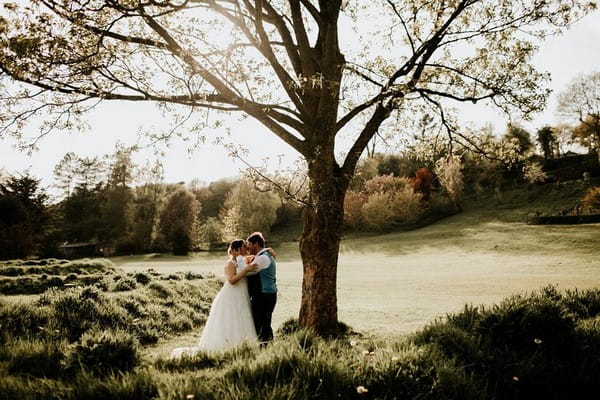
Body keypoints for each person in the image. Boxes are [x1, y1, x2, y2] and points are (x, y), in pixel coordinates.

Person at [170, 239, 258, 358]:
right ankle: (227, 346)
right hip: (231, 295)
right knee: (231, 319)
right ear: (237, 249)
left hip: (242, 295)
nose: (246, 248)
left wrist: (268, 251)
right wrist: (245, 270)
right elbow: (231, 280)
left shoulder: (242, 260)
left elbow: (256, 256)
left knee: (242, 318)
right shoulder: (230, 264)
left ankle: (243, 347)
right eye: (243, 247)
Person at [246, 232, 277, 344]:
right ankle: (268, 346)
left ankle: (264, 347)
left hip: (264, 295)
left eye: (249, 244)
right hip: (267, 294)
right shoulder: (263, 256)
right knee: (265, 322)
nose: (247, 247)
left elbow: (247, 272)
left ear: (256, 244)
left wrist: (237, 259)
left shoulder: (262, 258)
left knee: (261, 323)